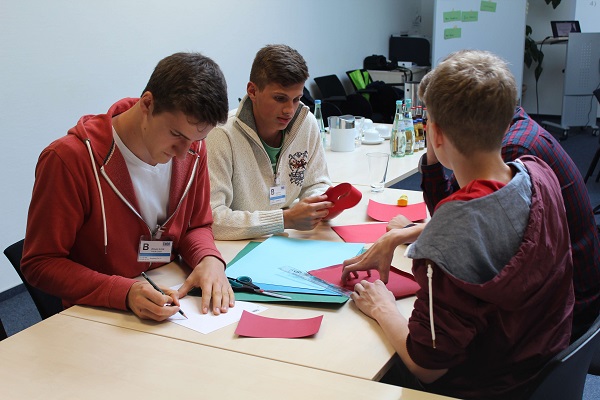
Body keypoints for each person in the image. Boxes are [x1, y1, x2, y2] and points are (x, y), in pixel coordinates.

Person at [345, 50, 574, 399]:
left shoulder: (452, 229)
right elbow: (491, 219)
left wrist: (382, 306)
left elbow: (428, 366)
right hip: (537, 369)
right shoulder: (538, 174)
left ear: (434, 134)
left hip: (481, 386)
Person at [344, 84, 600, 344]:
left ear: (434, 129)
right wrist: (407, 233)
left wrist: (382, 307)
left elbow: (459, 217)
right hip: (551, 316)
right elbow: (468, 216)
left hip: (560, 316)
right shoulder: (526, 159)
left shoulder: (512, 152)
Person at [21, 52, 234, 321]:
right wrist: (123, 292)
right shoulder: (69, 159)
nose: (183, 153)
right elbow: (40, 263)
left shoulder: (194, 150)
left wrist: (208, 259)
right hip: (98, 316)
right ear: (147, 104)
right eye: (177, 135)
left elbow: (196, 225)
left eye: (195, 140)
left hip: (170, 305)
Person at [206, 44, 333, 240]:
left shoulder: (305, 123)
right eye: (280, 98)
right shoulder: (221, 135)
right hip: (239, 247)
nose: (289, 110)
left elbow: (317, 183)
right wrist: (285, 219)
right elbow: (212, 219)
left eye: (296, 99)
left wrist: (320, 207)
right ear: (253, 91)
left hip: (290, 239)